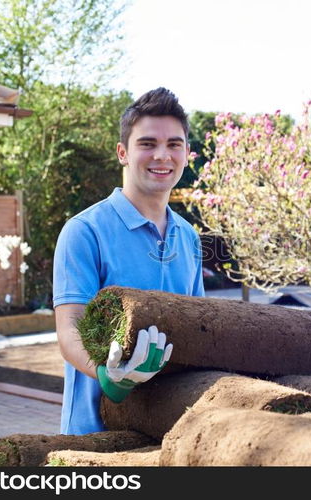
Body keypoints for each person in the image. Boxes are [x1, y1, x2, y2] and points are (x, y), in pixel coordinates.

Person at [53, 88, 204, 434]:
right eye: (147, 144)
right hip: (94, 434)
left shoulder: (189, 238)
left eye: (174, 145)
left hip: (167, 431)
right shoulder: (84, 232)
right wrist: (108, 374)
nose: (162, 156)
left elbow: (199, 327)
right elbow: (69, 329)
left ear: (186, 154)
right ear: (123, 152)